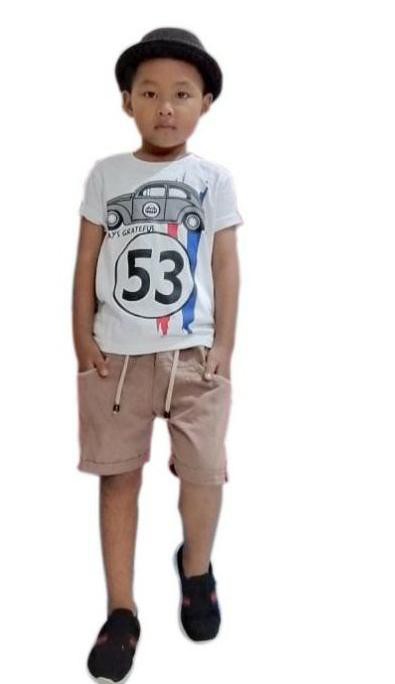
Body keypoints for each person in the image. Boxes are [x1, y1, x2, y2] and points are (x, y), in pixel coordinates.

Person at [72, 27, 244, 683]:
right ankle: (121, 609)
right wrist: (81, 337)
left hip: (194, 356)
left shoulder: (212, 180)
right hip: (116, 356)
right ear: (127, 102)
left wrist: (224, 345)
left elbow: (225, 265)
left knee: (205, 473)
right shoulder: (106, 175)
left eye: (181, 94)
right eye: (149, 93)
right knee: (118, 478)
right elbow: (87, 259)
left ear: (205, 104)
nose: (165, 107)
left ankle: (195, 568)